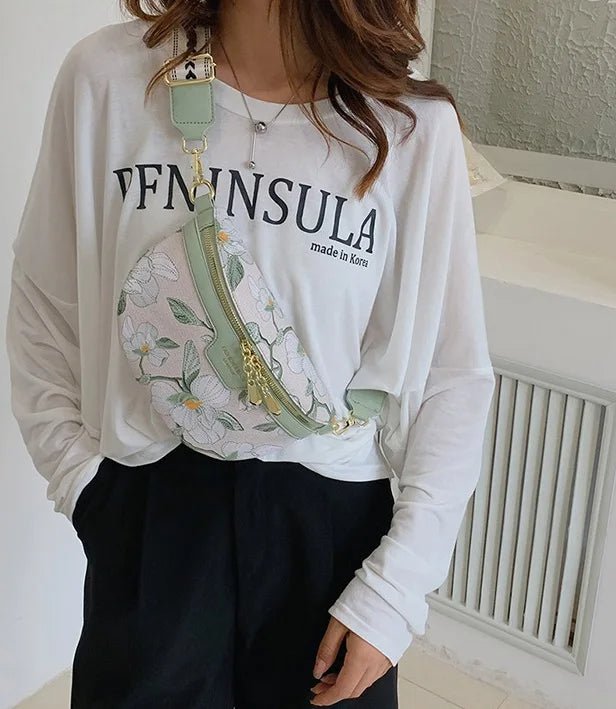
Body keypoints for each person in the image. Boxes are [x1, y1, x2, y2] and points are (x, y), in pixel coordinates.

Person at [5, 0, 496, 707]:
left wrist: (396, 589)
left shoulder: (410, 126)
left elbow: (453, 376)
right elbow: (44, 307)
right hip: (153, 510)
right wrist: (87, 488)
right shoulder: (109, 78)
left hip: (330, 529)